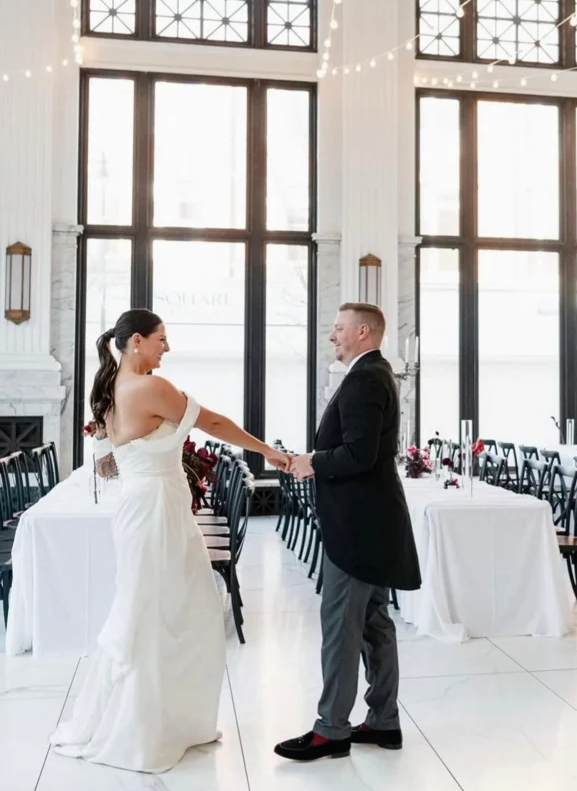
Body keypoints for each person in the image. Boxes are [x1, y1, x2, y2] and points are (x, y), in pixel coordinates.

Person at [50, 309, 289, 773]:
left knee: (160, 609)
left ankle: (169, 722)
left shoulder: (109, 389)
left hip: (145, 505)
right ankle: (146, 731)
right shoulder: (152, 386)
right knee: (168, 610)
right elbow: (214, 424)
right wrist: (268, 452)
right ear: (136, 341)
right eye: (162, 339)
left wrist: (143, 459)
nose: (168, 347)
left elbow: (107, 462)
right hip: (157, 508)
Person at [275, 303, 421, 762]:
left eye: (338, 329)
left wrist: (311, 462)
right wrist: (313, 459)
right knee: (375, 622)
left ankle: (331, 729)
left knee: (341, 626)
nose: (332, 336)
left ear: (363, 331)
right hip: (372, 523)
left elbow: (357, 455)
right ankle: (383, 721)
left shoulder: (364, 378)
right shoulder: (375, 375)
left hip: (358, 529)